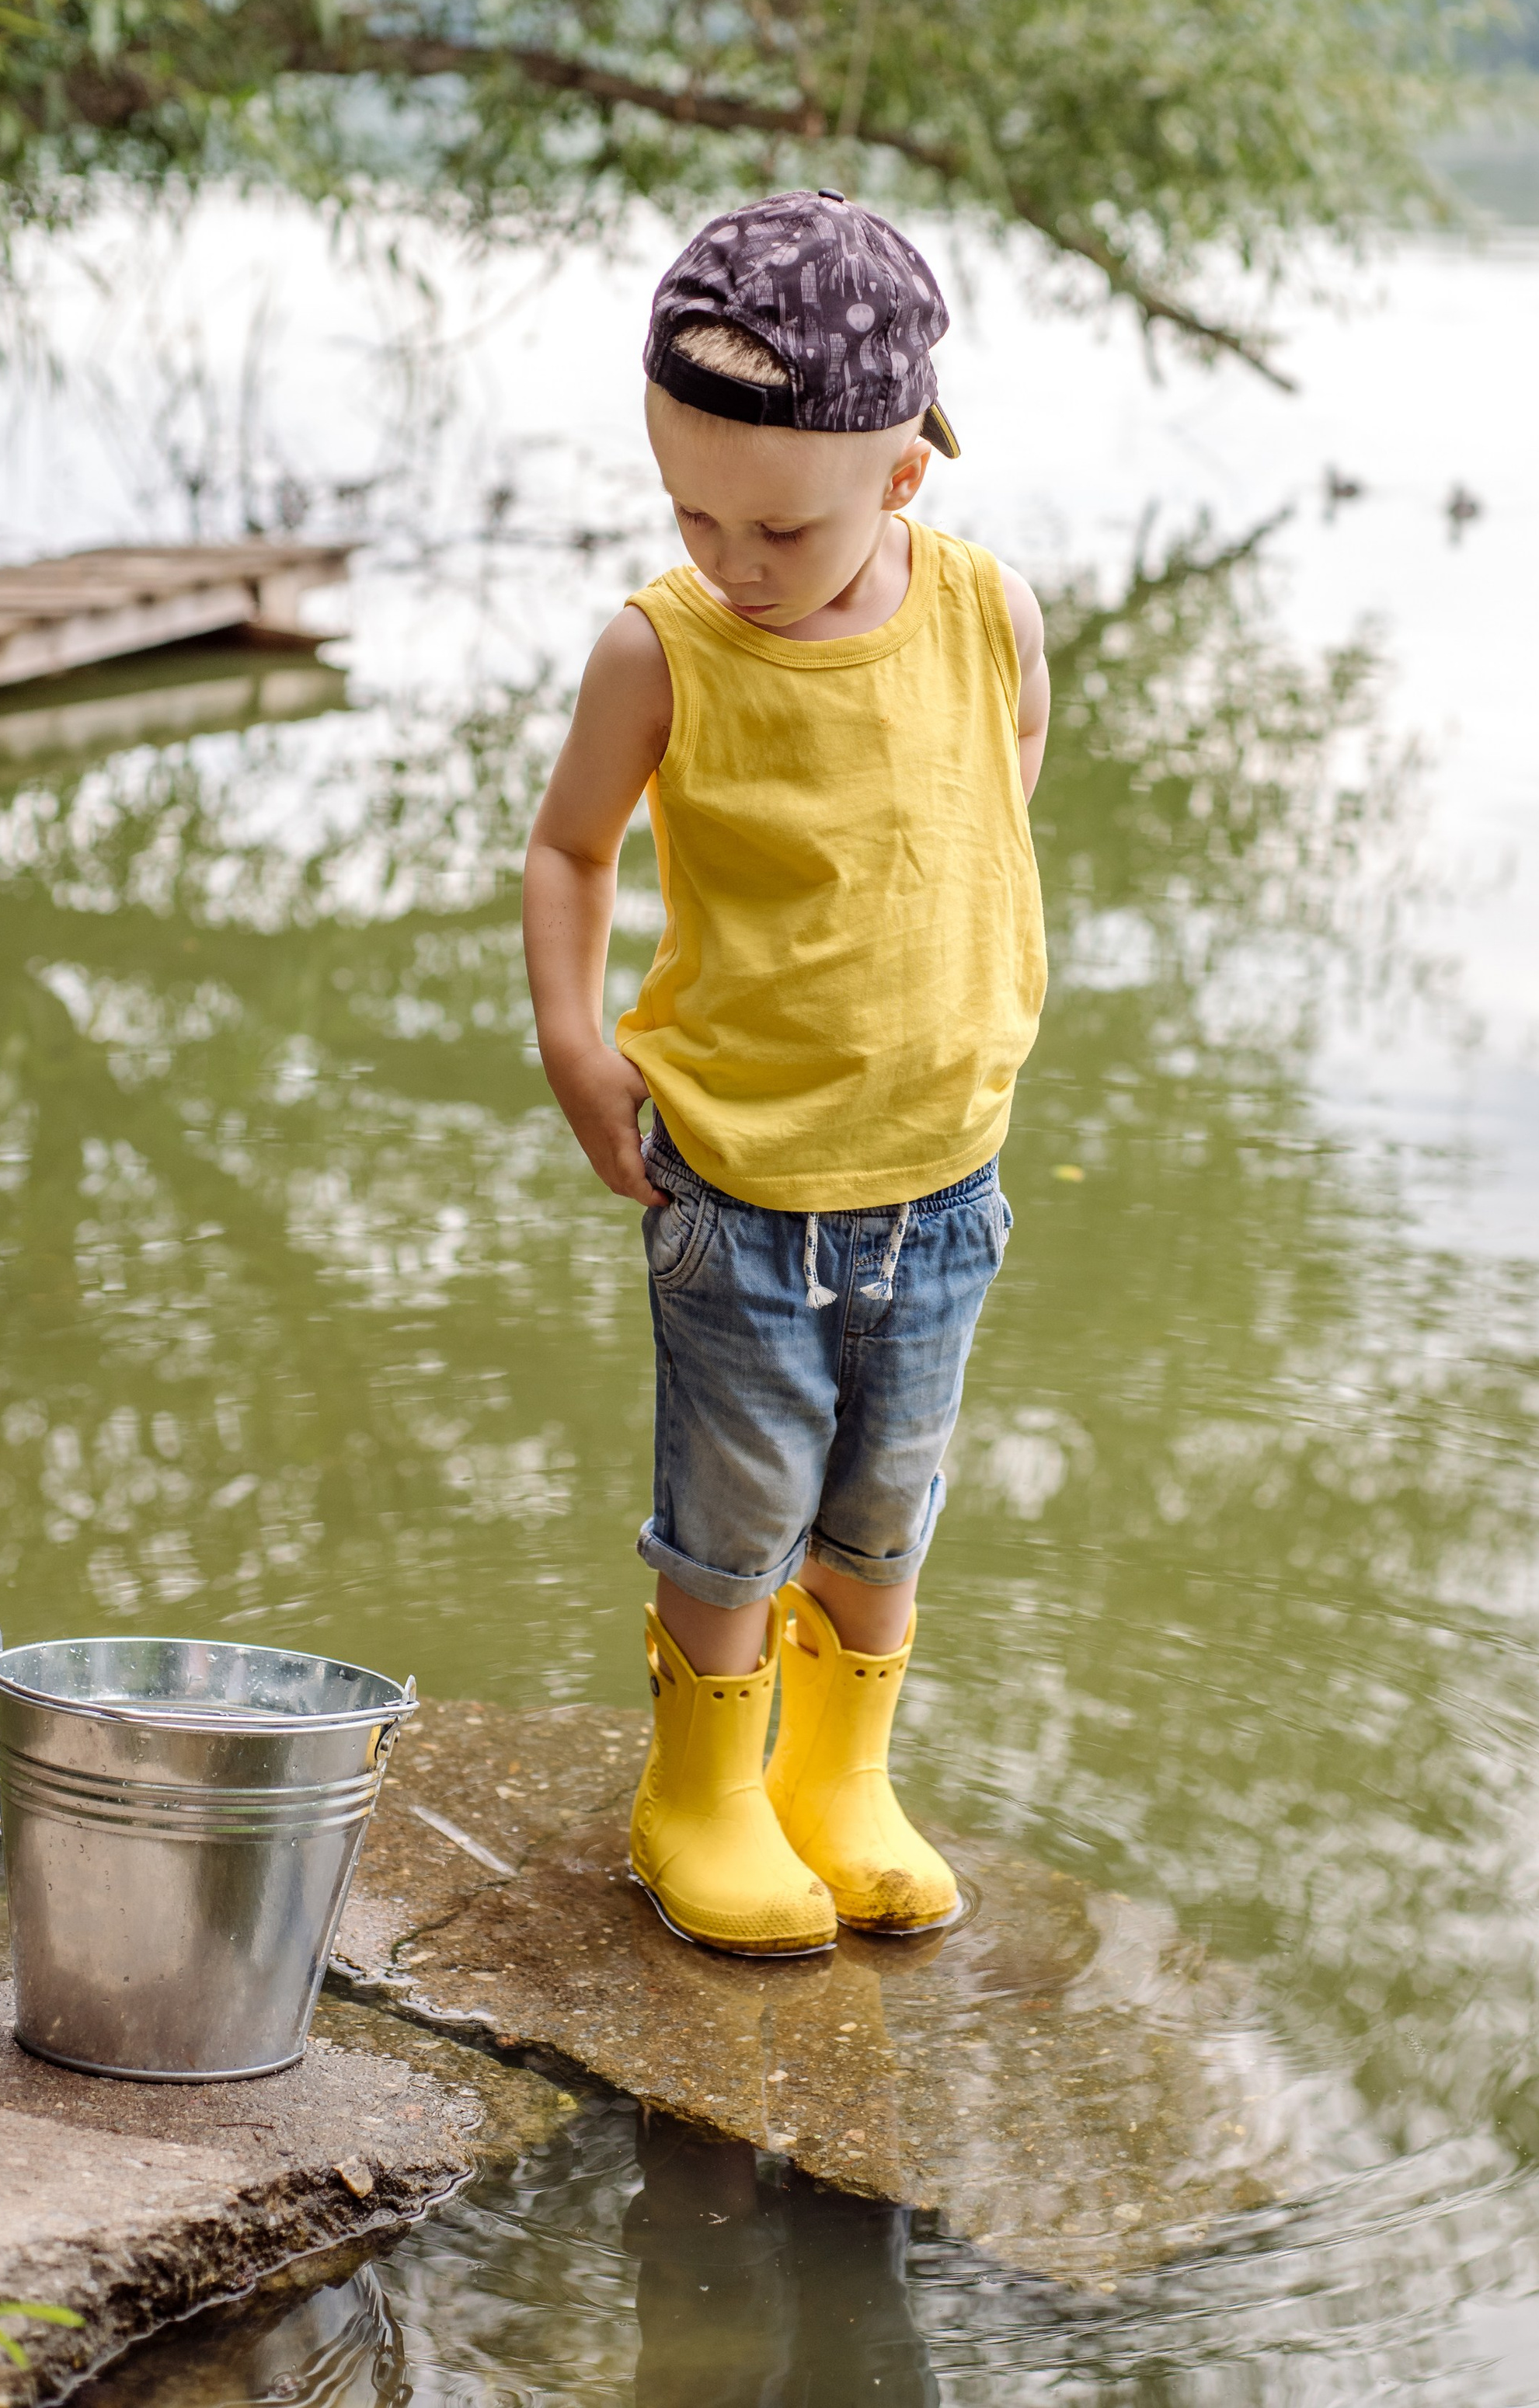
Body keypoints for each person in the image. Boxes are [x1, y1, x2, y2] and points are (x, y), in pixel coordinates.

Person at [522, 190, 1049, 1957]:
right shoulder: (661, 649)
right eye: (688, 508)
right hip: (736, 1184)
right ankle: (698, 1792)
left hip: (942, 1176)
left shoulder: (987, 615)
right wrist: (577, 1047)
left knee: (887, 1495)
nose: (730, 555)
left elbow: (996, 788)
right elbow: (570, 853)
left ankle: (838, 1781)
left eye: (774, 523)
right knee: (738, 1508)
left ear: (900, 477)